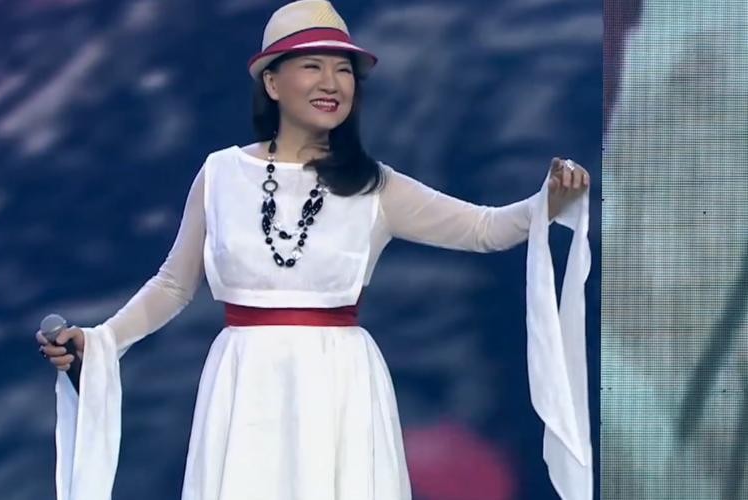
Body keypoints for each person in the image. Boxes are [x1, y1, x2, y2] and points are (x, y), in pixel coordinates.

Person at [36, 1, 592, 499]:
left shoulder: (375, 186)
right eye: (312, 65)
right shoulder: (220, 174)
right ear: (272, 82)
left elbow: (485, 229)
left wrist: (547, 203)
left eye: (344, 69)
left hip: (339, 385)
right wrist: (103, 340)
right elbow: (175, 284)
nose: (332, 82)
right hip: (245, 383)